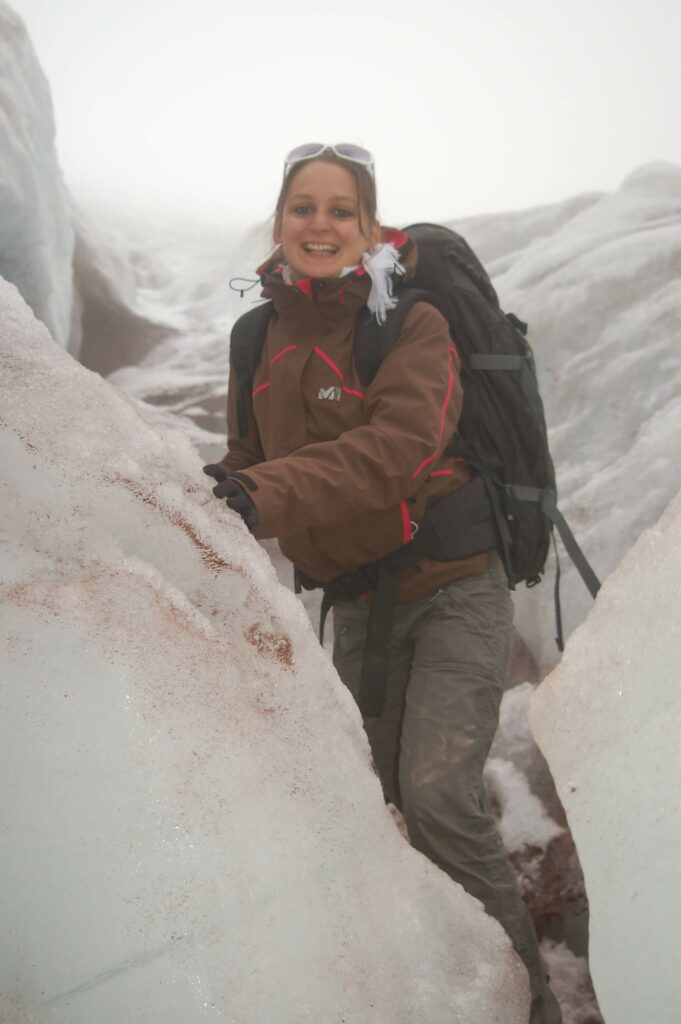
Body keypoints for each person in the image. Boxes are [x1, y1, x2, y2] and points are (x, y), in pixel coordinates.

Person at [204, 143, 562, 1024]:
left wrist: (260, 494)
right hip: (358, 598)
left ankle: (529, 1000)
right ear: (279, 222)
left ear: (369, 228)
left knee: (439, 796)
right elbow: (251, 461)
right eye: (302, 207)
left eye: (339, 210)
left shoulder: (411, 320)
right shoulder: (255, 334)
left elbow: (399, 449)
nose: (318, 224)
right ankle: (446, 992)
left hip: (452, 584)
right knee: (389, 802)